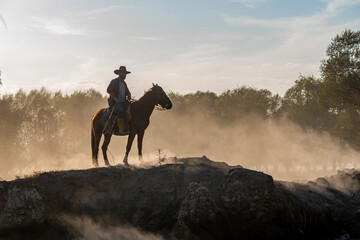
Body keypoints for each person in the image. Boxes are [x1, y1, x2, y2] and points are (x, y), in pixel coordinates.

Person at [105, 66, 131, 135]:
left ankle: (127, 126)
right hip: (114, 103)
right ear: (119, 73)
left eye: (125, 73)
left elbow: (127, 92)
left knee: (131, 108)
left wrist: (129, 94)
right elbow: (109, 90)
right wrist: (115, 99)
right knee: (121, 110)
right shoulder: (114, 81)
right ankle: (121, 129)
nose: (124, 75)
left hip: (123, 102)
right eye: (123, 73)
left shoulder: (124, 83)